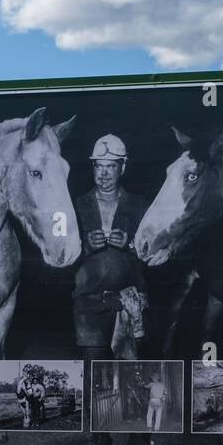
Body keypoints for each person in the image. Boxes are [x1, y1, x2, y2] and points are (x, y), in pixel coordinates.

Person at [72, 135, 149, 361]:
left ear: (122, 168)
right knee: (95, 375)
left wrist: (131, 244)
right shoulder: (77, 206)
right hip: (89, 305)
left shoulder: (140, 205)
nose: (103, 174)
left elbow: (159, 255)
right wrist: (86, 248)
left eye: (111, 167)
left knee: (131, 375)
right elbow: (58, 261)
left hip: (130, 305)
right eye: (98, 166)